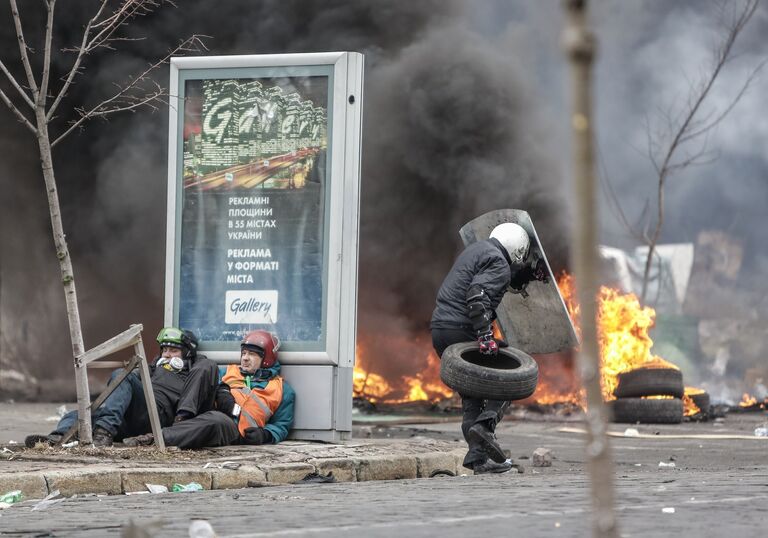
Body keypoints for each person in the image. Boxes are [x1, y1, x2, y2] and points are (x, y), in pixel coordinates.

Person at [430, 222, 546, 474]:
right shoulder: (499, 262)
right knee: (508, 380)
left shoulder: (478, 250)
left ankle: (478, 460)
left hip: (440, 330)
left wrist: (527, 275)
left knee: (472, 395)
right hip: (464, 329)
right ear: (518, 249)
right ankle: (485, 426)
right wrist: (485, 335)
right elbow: (478, 293)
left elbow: (499, 279)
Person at [25, 327, 219, 448]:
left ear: (187, 354)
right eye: (164, 349)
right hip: (133, 418)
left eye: (173, 350)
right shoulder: (153, 368)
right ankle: (56, 439)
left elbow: (204, 373)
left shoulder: (194, 369)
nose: (167, 354)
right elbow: (129, 385)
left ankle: (104, 433)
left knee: (120, 374)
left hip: (157, 416)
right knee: (79, 415)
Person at [122, 329, 295, 449]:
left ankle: (152, 440)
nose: (245, 359)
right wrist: (224, 391)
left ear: (267, 358)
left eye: (252, 354)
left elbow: (282, 425)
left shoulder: (281, 389)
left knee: (214, 421)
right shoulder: (226, 371)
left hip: (233, 428)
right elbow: (201, 380)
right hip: (205, 408)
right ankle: (181, 418)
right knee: (207, 367)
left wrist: (265, 434)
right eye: (243, 353)